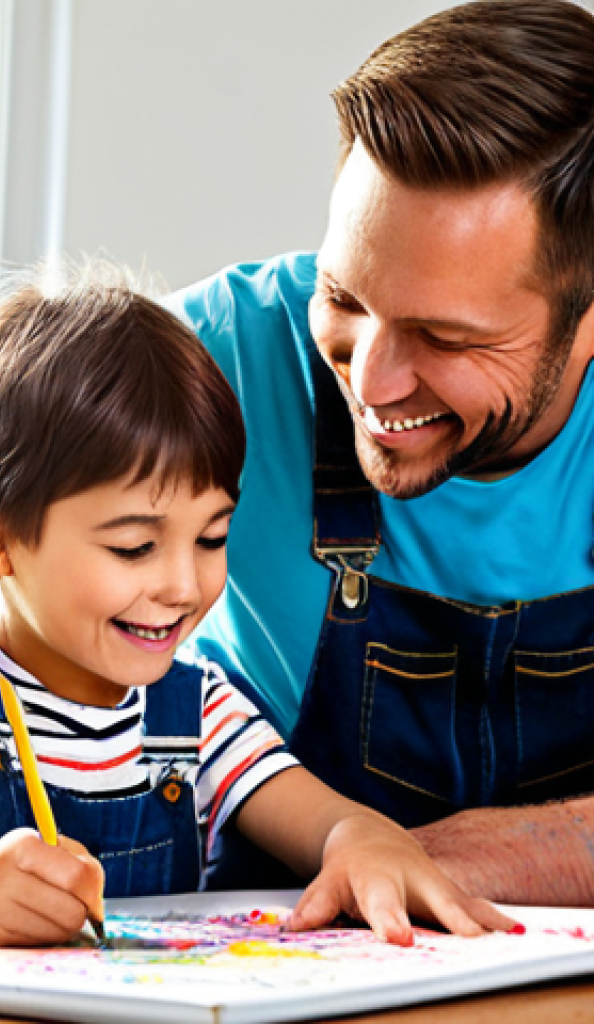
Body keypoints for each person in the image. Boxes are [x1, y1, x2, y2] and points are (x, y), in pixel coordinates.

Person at [0, 262, 514, 947]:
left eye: (211, 538)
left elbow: (335, 823)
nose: (181, 585)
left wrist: (365, 845)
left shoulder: (200, 713)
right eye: (134, 547)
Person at [171, 0, 594, 906]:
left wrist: (457, 859)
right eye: (345, 296)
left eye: (446, 337)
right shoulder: (208, 356)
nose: (373, 380)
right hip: (273, 946)